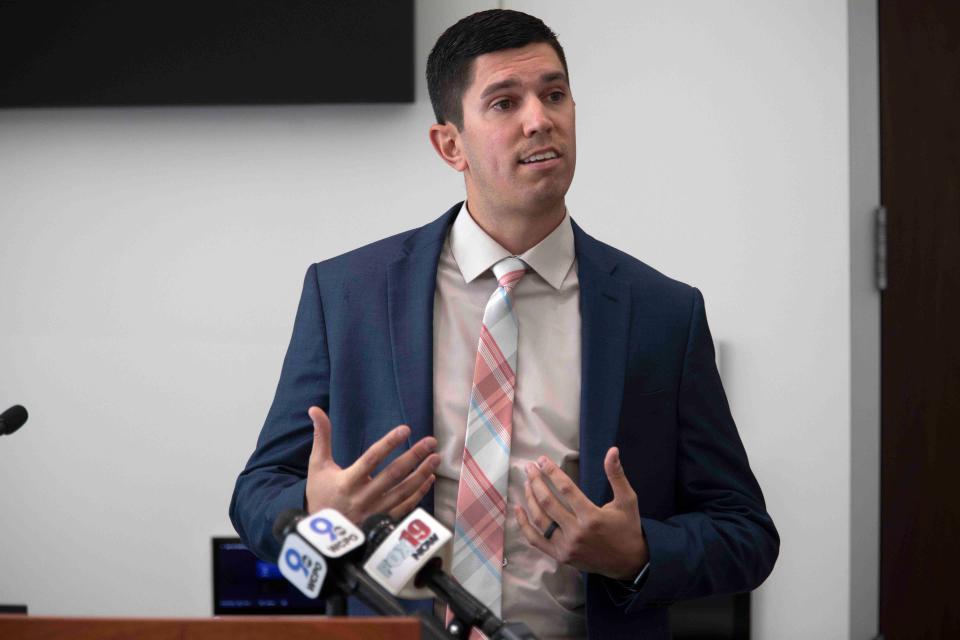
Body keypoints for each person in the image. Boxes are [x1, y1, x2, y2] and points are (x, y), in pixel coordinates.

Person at [230, 9, 778, 639]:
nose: (539, 118)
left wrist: (637, 551)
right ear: (450, 145)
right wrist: (315, 512)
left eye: (554, 94)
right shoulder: (347, 295)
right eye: (503, 102)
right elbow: (256, 492)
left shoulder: (663, 313)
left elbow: (746, 533)